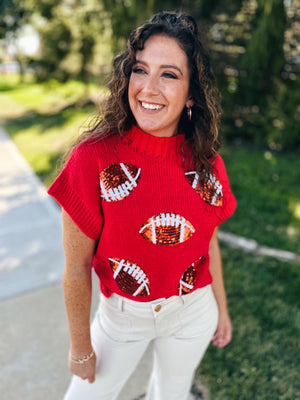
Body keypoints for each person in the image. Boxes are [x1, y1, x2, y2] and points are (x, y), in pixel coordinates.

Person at [48, 11, 236, 400]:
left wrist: (221, 308)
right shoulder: (93, 160)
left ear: (192, 94)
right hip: (123, 320)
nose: (148, 88)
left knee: (171, 394)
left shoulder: (207, 163)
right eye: (140, 69)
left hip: (193, 312)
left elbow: (207, 243)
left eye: (169, 74)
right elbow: (77, 267)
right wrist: (81, 347)